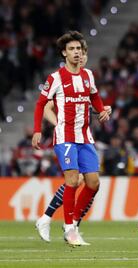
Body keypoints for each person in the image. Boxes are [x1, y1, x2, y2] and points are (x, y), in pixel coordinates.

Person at [32, 31, 109, 246]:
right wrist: (37, 130)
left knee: (93, 183)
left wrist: (101, 110)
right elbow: (41, 104)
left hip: (85, 136)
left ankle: (66, 221)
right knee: (73, 181)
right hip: (64, 136)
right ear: (64, 53)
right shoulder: (55, 78)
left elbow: (94, 95)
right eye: (72, 49)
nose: (76, 52)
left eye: (79, 49)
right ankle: (69, 228)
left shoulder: (88, 75)